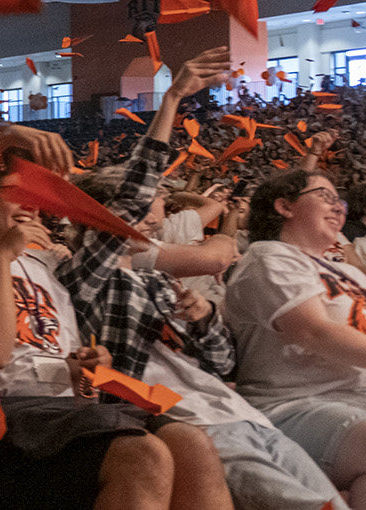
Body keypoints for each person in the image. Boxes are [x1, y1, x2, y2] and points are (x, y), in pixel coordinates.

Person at [64, 47, 346, 510]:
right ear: (103, 221)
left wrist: (203, 318)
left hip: (238, 414)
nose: (152, 221)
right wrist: (172, 98)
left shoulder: (156, 283)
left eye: (155, 212)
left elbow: (220, 362)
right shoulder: (86, 279)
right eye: (141, 215)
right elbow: (135, 198)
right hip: (180, 419)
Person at [0, 122, 228, 510]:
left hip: (62, 410)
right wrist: (0, 258)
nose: (32, 205)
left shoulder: (42, 265)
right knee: (143, 455)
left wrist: (86, 368)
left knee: (192, 444)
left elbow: (65, 362)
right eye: (18, 192)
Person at [227, 169, 366, 509]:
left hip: (352, 404)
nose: (338, 208)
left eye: (340, 201)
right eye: (325, 196)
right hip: (293, 406)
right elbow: (314, 332)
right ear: (285, 207)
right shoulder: (268, 256)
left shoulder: (348, 271)